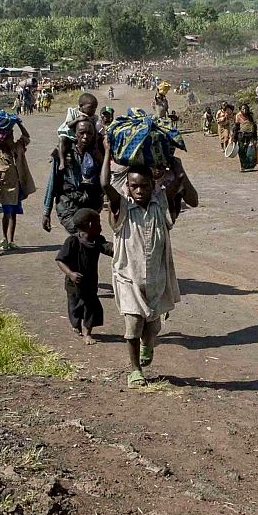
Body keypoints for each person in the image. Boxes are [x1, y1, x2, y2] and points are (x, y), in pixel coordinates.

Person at [103, 156, 197, 386]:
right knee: (133, 324)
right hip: (128, 278)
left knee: (153, 325)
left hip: (156, 277)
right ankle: (135, 371)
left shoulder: (160, 203)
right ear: (127, 185)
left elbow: (183, 185)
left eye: (144, 185)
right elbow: (105, 185)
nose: (139, 190)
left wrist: (176, 163)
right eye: (134, 185)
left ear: (153, 185)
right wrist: (107, 152)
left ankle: (149, 343)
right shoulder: (122, 207)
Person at [55, 207, 114, 344]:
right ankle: (77, 326)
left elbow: (108, 248)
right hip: (74, 284)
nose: (101, 226)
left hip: (90, 282)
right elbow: (60, 260)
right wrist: (70, 273)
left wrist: (119, 249)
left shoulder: (97, 240)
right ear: (90, 225)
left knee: (91, 306)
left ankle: (87, 333)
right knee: (74, 307)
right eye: (99, 223)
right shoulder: (72, 241)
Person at [46, 117, 105, 233]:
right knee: (79, 233)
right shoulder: (64, 152)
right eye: (81, 133)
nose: (85, 137)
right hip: (68, 204)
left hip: (91, 204)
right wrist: (46, 213)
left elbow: (107, 180)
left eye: (89, 133)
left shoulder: (98, 153)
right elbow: (53, 181)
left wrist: (101, 159)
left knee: (89, 235)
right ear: (75, 133)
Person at [0, 131, 33, 250]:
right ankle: (4, 238)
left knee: (14, 215)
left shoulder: (15, 151)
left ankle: (11, 240)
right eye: (10, 139)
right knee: (6, 214)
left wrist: (19, 124)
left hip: (17, 189)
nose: (12, 140)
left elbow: (26, 137)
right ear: (3, 141)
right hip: (5, 189)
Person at [235, 104, 258, 171]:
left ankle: (250, 166)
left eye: (246, 109)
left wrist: (255, 137)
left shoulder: (251, 116)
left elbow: (254, 127)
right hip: (241, 136)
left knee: (250, 151)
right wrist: (234, 138)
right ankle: (243, 166)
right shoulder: (238, 116)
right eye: (243, 109)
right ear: (240, 110)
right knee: (242, 151)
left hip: (250, 136)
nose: (245, 110)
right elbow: (236, 128)